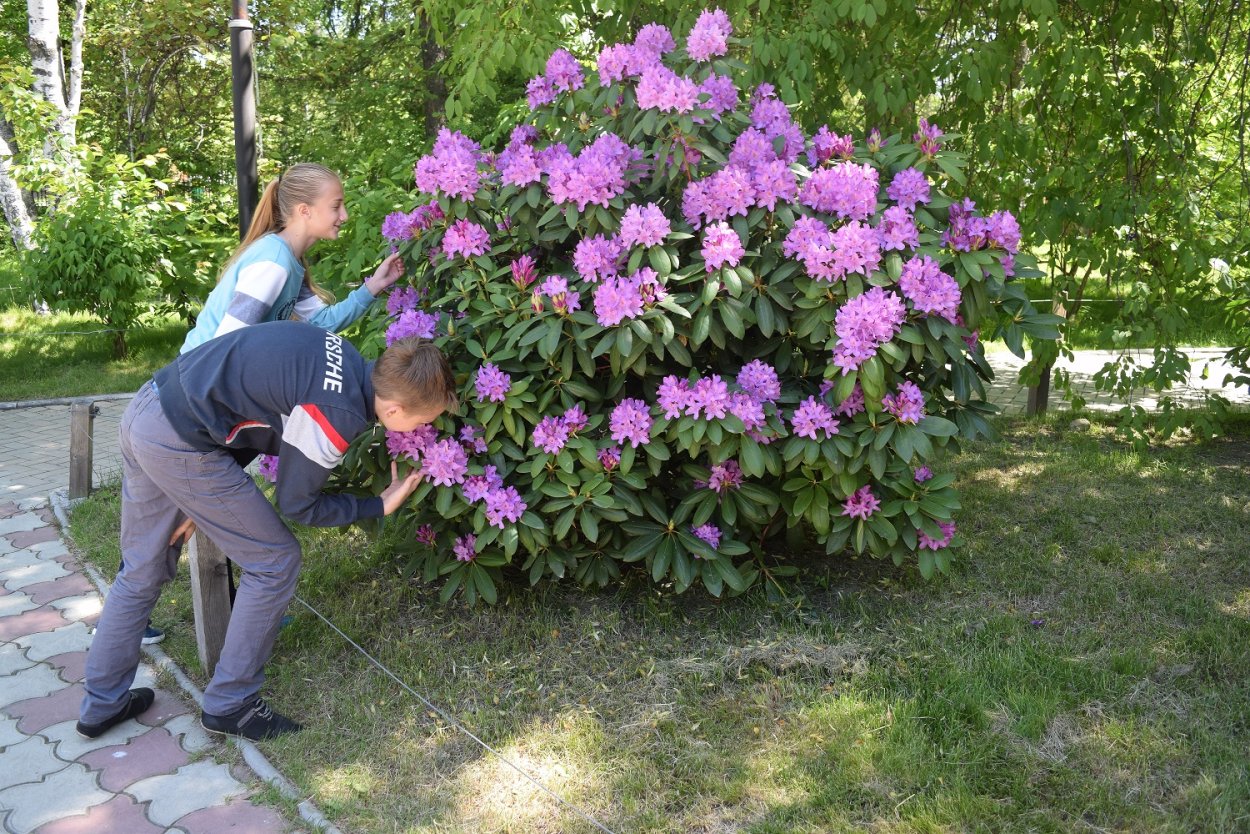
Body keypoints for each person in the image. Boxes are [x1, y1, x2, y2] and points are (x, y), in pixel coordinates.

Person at [77, 321, 457, 741]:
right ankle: (231, 706)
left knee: (142, 567)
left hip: (149, 410)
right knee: (276, 561)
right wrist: (378, 504)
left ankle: (100, 704)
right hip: (181, 442)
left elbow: (246, 406)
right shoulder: (339, 412)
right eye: (426, 420)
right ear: (395, 411)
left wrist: (194, 496)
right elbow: (298, 504)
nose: (425, 429)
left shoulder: (344, 356)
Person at [130, 162, 406, 645]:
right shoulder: (273, 263)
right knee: (180, 514)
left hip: (223, 402)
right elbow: (226, 347)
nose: (343, 214)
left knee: (209, 511)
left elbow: (319, 327)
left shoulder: (291, 264)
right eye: (335, 205)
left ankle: (234, 608)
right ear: (304, 210)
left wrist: (371, 289)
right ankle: (139, 614)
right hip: (201, 404)